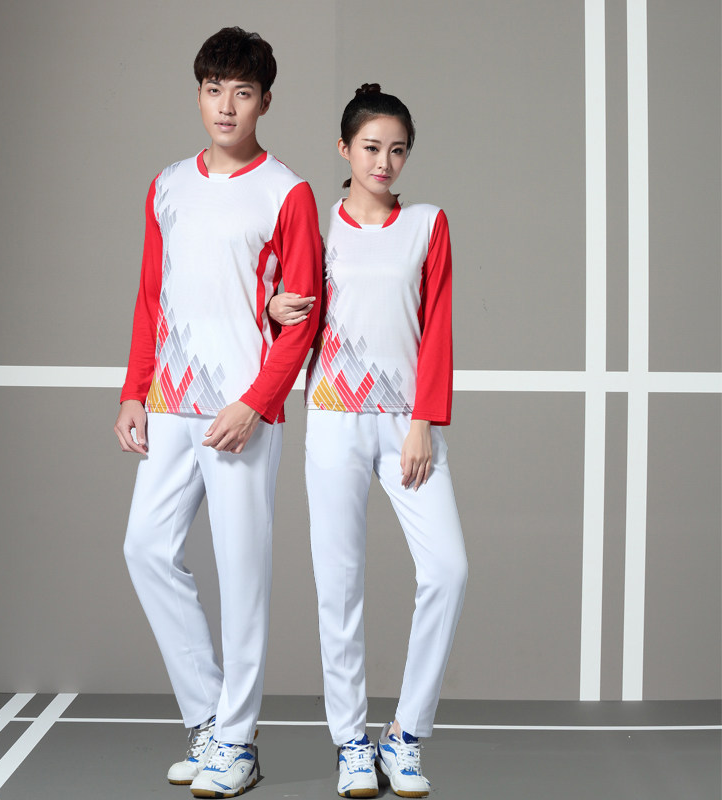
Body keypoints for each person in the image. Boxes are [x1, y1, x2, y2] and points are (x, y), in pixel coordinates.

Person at [113, 26, 321, 799]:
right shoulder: (167, 184)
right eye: (213, 90)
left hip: (241, 412)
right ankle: (210, 721)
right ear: (199, 95)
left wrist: (257, 404)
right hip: (171, 403)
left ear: (265, 101)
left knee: (242, 579)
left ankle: (236, 742)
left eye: (242, 92)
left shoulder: (288, 192)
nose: (226, 106)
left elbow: (302, 317)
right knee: (146, 548)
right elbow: (151, 294)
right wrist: (134, 390)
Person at [268, 84, 467, 799]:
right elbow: (284, 305)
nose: (385, 162)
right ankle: (352, 741)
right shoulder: (318, 226)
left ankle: (404, 736)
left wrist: (423, 422)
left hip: (406, 424)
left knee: (447, 570)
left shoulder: (427, 224)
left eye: (398, 150)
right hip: (333, 418)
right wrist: (270, 305)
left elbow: (438, 327)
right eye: (372, 148)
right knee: (339, 584)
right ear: (344, 149)